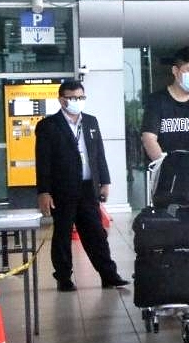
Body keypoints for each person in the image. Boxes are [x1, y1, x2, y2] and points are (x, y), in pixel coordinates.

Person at [36, 80, 129, 292]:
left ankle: (109, 275)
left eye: (80, 97)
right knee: (62, 234)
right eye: (72, 98)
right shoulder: (48, 126)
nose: (77, 101)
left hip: (88, 188)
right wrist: (44, 191)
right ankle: (63, 278)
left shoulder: (91, 122)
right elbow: (43, 161)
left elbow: (99, 154)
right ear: (61, 100)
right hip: (62, 189)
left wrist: (105, 181)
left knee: (96, 233)